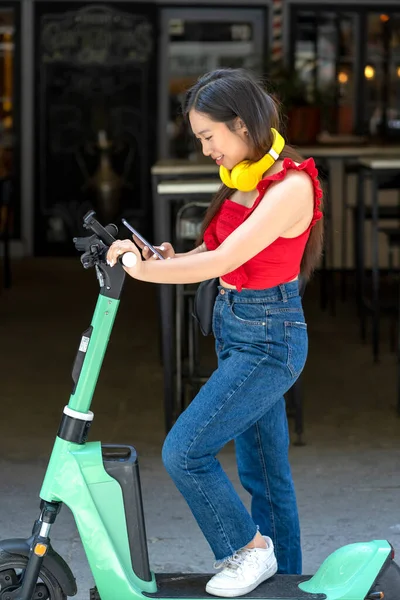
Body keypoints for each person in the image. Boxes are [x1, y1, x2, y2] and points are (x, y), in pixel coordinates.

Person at [107, 68, 323, 598]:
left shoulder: (290, 186)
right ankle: (286, 584)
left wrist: (142, 271)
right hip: (238, 327)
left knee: (185, 451)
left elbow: (228, 257)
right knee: (265, 474)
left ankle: (248, 551)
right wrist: (167, 255)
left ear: (242, 124)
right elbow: (217, 253)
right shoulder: (245, 182)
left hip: (271, 340)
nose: (206, 150)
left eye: (209, 136)